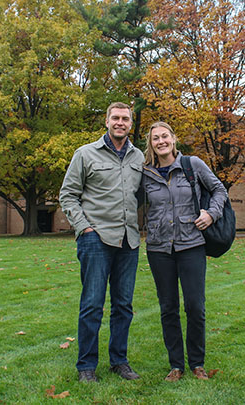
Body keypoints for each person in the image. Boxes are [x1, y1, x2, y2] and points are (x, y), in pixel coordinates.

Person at [59, 102, 144, 383]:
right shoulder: (85, 154)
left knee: (124, 305)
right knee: (93, 304)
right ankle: (86, 366)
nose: (120, 122)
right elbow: (68, 194)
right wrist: (84, 228)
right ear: (106, 121)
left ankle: (119, 361)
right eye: (115, 118)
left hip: (129, 240)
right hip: (96, 239)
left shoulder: (139, 158)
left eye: (126, 119)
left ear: (131, 124)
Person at [141, 121, 228, 382]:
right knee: (168, 308)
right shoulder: (144, 173)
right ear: (151, 144)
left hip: (191, 245)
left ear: (173, 139)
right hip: (158, 248)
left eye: (164, 136)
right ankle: (176, 365)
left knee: (195, 306)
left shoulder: (193, 165)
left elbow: (219, 190)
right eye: (155, 138)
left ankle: (197, 363)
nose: (161, 142)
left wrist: (211, 214)